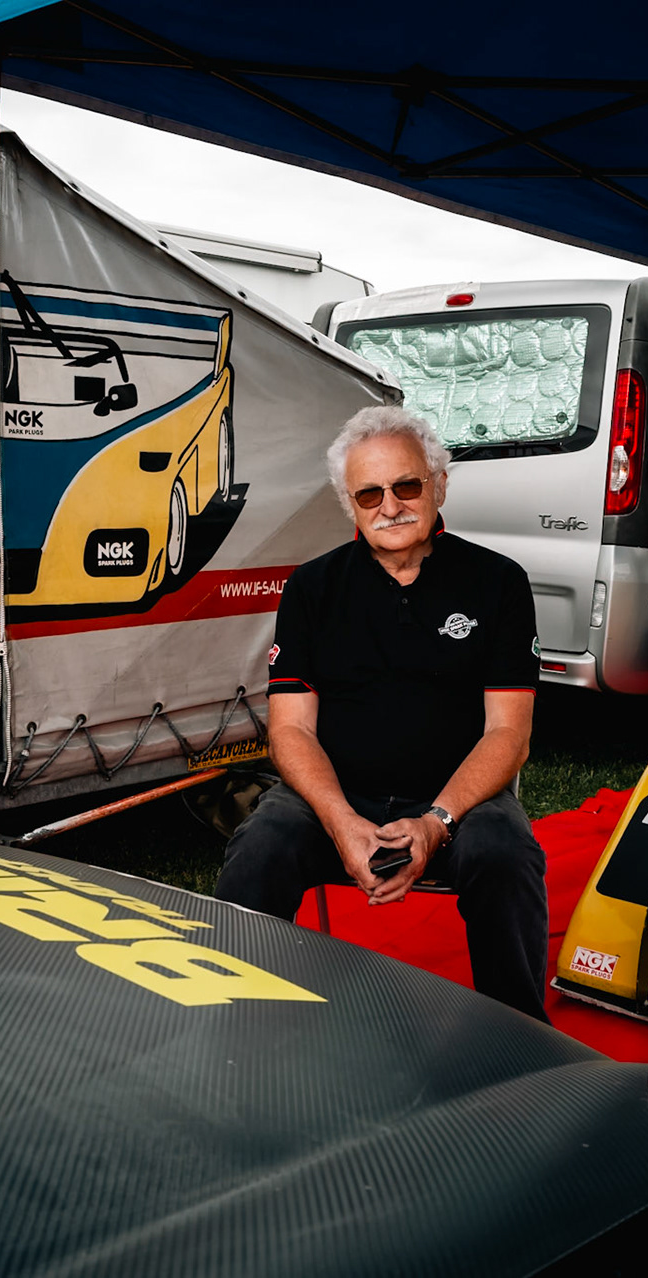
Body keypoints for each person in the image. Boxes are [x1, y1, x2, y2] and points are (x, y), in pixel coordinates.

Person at [215, 406, 549, 1021]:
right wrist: (341, 822)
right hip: (337, 795)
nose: (389, 506)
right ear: (350, 504)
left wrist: (436, 822)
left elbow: (509, 733)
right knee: (261, 847)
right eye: (369, 493)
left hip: (457, 800)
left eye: (407, 486)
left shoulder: (499, 582)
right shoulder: (311, 587)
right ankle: (230, 1018)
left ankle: (522, 1038)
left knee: (506, 854)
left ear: (439, 484)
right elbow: (290, 730)